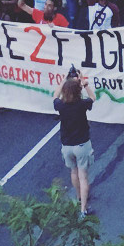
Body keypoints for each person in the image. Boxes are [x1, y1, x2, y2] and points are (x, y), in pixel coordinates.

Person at [53, 74, 96, 219]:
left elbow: (55, 95)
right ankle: (84, 209)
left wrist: (64, 81)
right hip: (82, 144)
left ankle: (78, 197)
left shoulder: (60, 106)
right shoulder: (82, 105)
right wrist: (85, 85)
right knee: (83, 176)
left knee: (73, 172)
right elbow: (93, 97)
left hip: (67, 145)